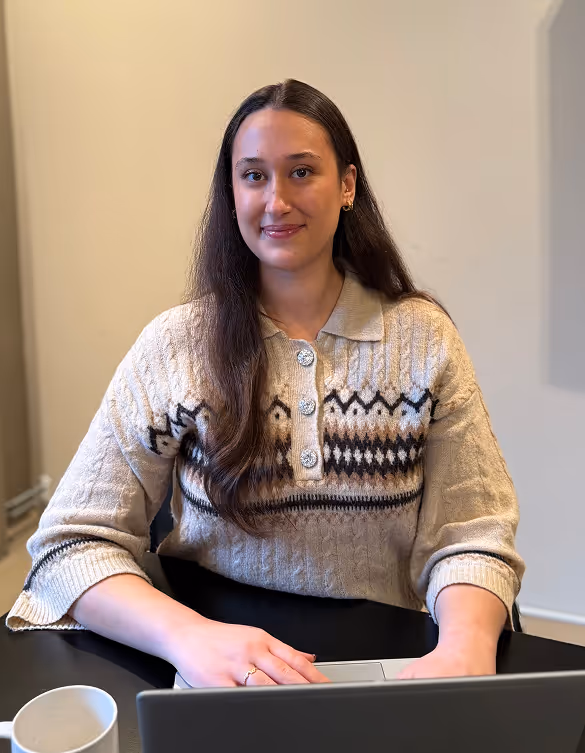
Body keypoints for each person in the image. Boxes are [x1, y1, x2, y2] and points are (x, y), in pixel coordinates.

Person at [7, 79, 524, 687]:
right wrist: (189, 638)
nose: (276, 200)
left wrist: (463, 645)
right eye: (253, 176)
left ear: (349, 186)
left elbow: (475, 533)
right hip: (217, 667)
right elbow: (69, 544)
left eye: (302, 171)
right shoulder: (175, 346)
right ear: (231, 194)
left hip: (379, 664)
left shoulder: (423, 339)